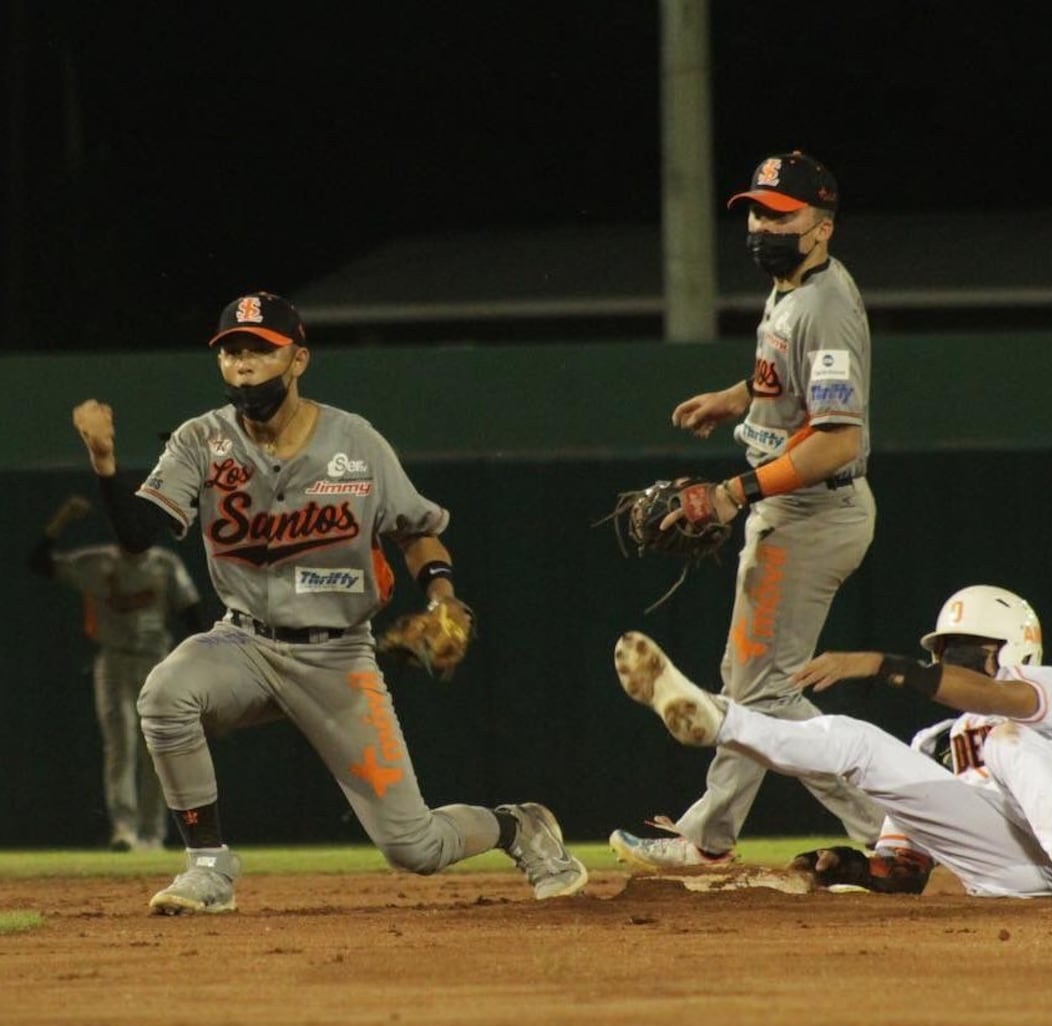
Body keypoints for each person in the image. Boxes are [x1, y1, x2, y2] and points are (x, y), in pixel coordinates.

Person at [70, 290, 587, 914]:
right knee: (163, 694)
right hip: (245, 643)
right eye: (232, 352)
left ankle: (517, 826)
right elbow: (136, 535)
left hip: (336, 656)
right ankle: (208, 867)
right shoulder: (200, 441)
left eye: (260, 350)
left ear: (298, 359)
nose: (243, 364)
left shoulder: (355, 442)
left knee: (413, 847)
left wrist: (443, 595)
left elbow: (414, 528)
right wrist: (104, 464)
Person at [610, 148, 885, 870]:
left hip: (812, 513)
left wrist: (734, 492)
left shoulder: (825, 305)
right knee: (747, 688)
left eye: (782, 214)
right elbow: (782, 376)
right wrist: (738, 398)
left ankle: (895, 827)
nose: (764, 224)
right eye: (757, 211)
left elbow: (836, 441)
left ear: (822, 227)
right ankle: (711, 836)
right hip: (794, 509)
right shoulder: (792, 287)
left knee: (763, 696)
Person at [611, 585, 1052, 908]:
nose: (951, 659)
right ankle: (719, 717)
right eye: (945, 650)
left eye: (967, 647)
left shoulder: (1049, 691)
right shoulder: (931, 744)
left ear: (1016, 649)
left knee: (1006, 738)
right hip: (1007, 882)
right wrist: (851, 867)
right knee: (854, 738)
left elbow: (993, 696)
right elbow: (901, 875)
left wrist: (883, 664)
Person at [27, 494, 205, 851]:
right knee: (120, 743)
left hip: (157, 659)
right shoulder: (98, 562)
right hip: (114, 659)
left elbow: (192, 614)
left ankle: (153, 834)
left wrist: (200, 666)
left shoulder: (165, 565)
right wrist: (60, 521)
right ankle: (124, 829)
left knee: (157, 746)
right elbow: (39, 562)